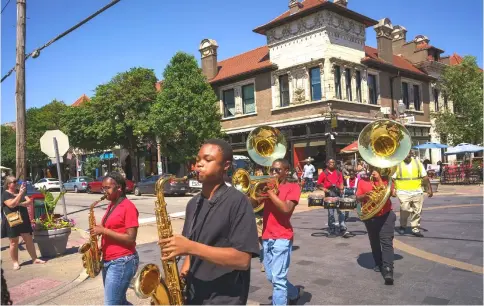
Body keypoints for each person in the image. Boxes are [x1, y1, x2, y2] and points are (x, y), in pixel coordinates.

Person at [159, 139, 259, 305]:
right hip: (194, 295)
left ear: (226, 165)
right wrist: (180, 280)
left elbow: (242, 260)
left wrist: (190, 247)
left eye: (208, 160)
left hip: (224, 299)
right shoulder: (194, 203)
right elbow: (192, 252)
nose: (199, 165)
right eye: (198, 160)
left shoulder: (238, 201)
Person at [256, 158, 303, 305]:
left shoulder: (293, 187)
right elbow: (252, 205)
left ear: (286, 171)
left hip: (282, 237)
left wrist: (270, 193)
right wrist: (252, 192)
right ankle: (294, 293)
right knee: (271, 277)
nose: (273, 173)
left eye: (277, 170)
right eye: (272, 170)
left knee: (278, 280)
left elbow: (286, 209)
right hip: (266, 237)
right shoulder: (267, 188)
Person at [90, 172, 139, 305]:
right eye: (103, 188)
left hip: (122, 261)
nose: (104, 191)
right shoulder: (112, 204)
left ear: (119, 188)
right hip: (109, 260)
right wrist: (100, 246)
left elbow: (130, 238)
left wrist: (104, 230)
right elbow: (115, 229)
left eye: (107, 188)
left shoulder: (128, 207)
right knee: (120, 301)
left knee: (111, 303)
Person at [356, 166, 397, 285]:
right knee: (374, 242)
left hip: (386, 215)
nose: (373, 172)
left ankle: (388, 270)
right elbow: (358, 197)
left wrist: (380, 181)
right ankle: (378, 263)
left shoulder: (387, 180)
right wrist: (365, 196)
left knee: (386, 241)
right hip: (370, 216)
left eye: (376, 170)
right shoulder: (363, 181)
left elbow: (392, 194)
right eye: (372, 169)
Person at [2, 176, 45, 270]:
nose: (16, 183)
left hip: (24, 218)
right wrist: (20, 195)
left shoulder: (19, 191)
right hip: (13, 219)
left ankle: (35, 259)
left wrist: (20, 200)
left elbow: (29, 201)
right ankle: (15, 262)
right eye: (14, 181)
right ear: (9, 184)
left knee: (28, 238)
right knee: (14, 242)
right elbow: (11, 205)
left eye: (17, 181)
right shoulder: (5, 194)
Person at [393, 151, 433, 237]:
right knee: (405, 208)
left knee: (418, 210)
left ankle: (415, 228)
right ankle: (403, 225)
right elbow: (392, 179)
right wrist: (393, 189)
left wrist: (429, 189)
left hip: (417, 191)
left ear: (411, 154)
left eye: (408, 154)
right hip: (402, 191)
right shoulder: (397, 164)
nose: (407, 156)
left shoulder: (418, 163)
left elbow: (425, 177)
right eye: (405, 154)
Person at [317, 159, 346, 236]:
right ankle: (332, 228)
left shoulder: (338, 173)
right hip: (329, 194)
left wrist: (342, 189)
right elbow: (318, 184)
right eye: (330, 162)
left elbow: (341, 182)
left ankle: (342, 227)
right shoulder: (323, 173)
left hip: (338, 193)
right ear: (327, 164)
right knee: (331, 213)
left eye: (333, 162)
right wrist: (324, 189)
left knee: (341, 212)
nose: (332, 164)